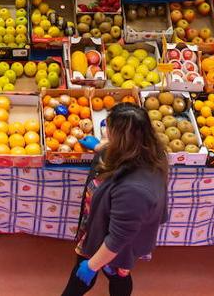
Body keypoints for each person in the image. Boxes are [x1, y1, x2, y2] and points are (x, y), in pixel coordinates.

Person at [62, 103, 169, 296]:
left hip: (111, 237)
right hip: (105, 224)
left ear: (122, 139)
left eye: (109, 130)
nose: (106, 132)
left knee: (90, 274)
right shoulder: (148, 152)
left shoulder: (134, 191)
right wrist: (99, 147)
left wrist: (92, 265)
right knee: (118, 274)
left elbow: (117, 239)